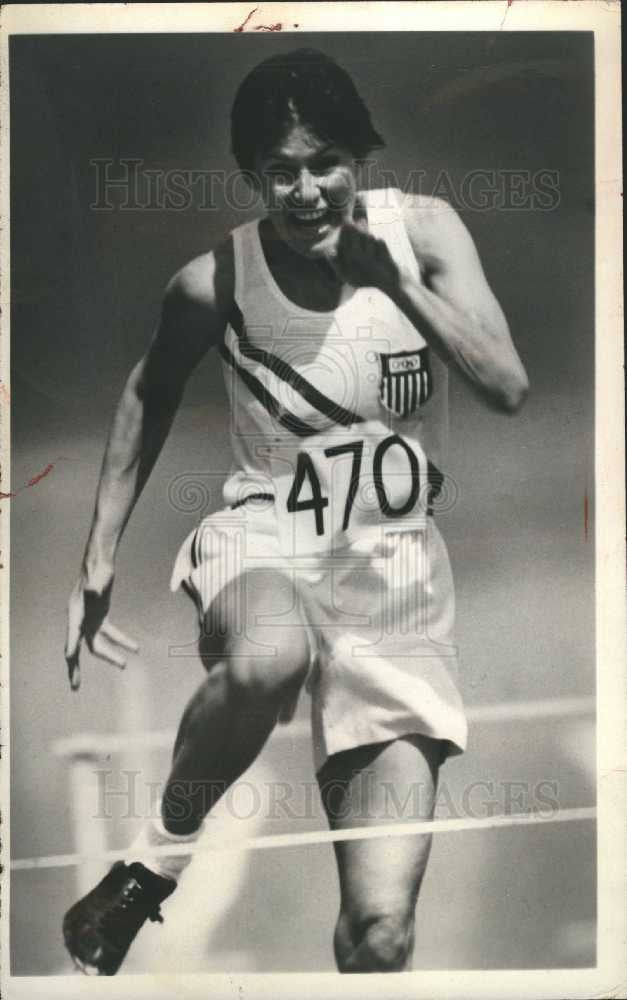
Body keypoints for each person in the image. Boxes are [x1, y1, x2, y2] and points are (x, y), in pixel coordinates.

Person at [62, 48, 529, 975]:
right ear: (251, 177)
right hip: (262, 541)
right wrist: (98, 556)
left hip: (393, 586)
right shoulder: (216, 281)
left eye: (326, 165)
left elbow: (505, 386)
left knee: (380, 936)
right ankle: (149, 871)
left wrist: (394, 284)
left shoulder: (427, 234)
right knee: (274, 648)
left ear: (361, 158)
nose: (307, 191)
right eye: (281, 172)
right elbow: (149, 391)